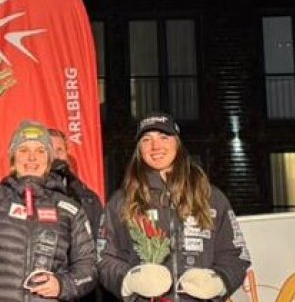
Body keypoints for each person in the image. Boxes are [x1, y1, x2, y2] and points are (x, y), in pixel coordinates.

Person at [0, 96, 97, 301]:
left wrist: (63, 285)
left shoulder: (69, 209)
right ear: (12, 157)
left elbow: (88, 267)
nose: (31, 158)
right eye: (23, 150)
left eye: (40, 151)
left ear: (49, 159)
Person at [96, 112, 251, 302]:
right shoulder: (122, 201)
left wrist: (219, 282)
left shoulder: (210, 197)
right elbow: (104, 259)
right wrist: (129, 279)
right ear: (139, 149)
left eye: (164, 137)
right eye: (146, 139)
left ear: (177, 143)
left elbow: (236, 255)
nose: (155, 146)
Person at [48, 128, 104, 235]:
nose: (55, 156)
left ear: (66, 154)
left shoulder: (88, 198)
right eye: (49, 151)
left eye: (59, 150)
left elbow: (99, 239)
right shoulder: (29, 195)